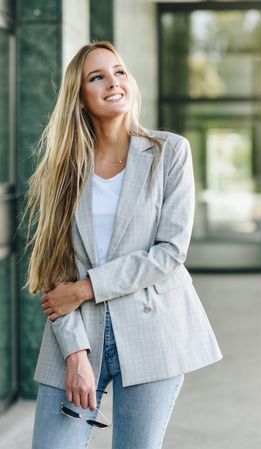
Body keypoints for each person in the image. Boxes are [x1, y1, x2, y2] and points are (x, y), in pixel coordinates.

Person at [22, 40, 222, 449]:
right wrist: (76, 356)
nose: (113, 82)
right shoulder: (61, 170)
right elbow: (54, 276)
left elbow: (169, 252)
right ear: (80, 99)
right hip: (77, 334)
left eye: (118, 72)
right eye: (97, 77)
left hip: (154, 329)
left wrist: (86, 288)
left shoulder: (169, 152)